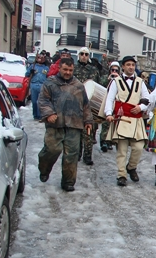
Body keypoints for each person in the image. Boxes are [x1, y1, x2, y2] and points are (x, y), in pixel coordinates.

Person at [37, 57, 93, 192]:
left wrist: (88, 121)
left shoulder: (79, 85)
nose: (68, 72)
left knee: (71, 155)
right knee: (52, 150)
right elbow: (43, 100)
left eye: (70, 70)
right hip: (55, 124)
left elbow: (85, 105)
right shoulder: (50, 84)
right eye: (65, 69)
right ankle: (44, 169)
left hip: (74, 124)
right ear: (59, 69)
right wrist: (49, 113)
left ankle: (68, 181)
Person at [104, 56, 150, 187]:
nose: (131, 67)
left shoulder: (140, 82)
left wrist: (140, 107)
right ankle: (121, 175)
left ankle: (131, 167)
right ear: (123, 67)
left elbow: (147, 98)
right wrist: (108, 113)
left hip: (136, 118)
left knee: (139, 147)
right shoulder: (116, 81)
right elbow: (110, 98)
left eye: (133, 65)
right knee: (122, 150)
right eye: (128, 65)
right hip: (122, 119)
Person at [74, 47, 102, 165]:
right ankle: (77, 154)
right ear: (78, 55)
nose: (84, 56)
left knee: (89, 132)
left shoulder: (93, 70)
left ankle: (87, 156)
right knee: (76, 131)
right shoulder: (73, 69)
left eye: (86, 54)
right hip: (75, 103)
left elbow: (98, 85)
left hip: (89, 105)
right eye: (82, 54)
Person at [98, 61, 120, 152]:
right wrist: (108, 79)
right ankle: (103, 141)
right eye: (112, 70)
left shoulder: (121, 79)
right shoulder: (104, 77)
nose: (114, 71)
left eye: (116, 70)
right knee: (105, 123)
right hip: (106, 102)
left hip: (116, 103)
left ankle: (110, 141)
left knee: (114, 124)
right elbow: (100, 86)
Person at [25, 52, 50, 120]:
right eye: (39, 58)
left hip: (42, 85)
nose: (40, 59)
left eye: (42, 58)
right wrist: (31, 72)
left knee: (40, 101)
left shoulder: (46, 68)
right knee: (34, 101)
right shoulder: (33, 66)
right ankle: (35, 115)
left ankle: (40, 115)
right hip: (34, 84)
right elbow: (27, 74)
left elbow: (49, 76)